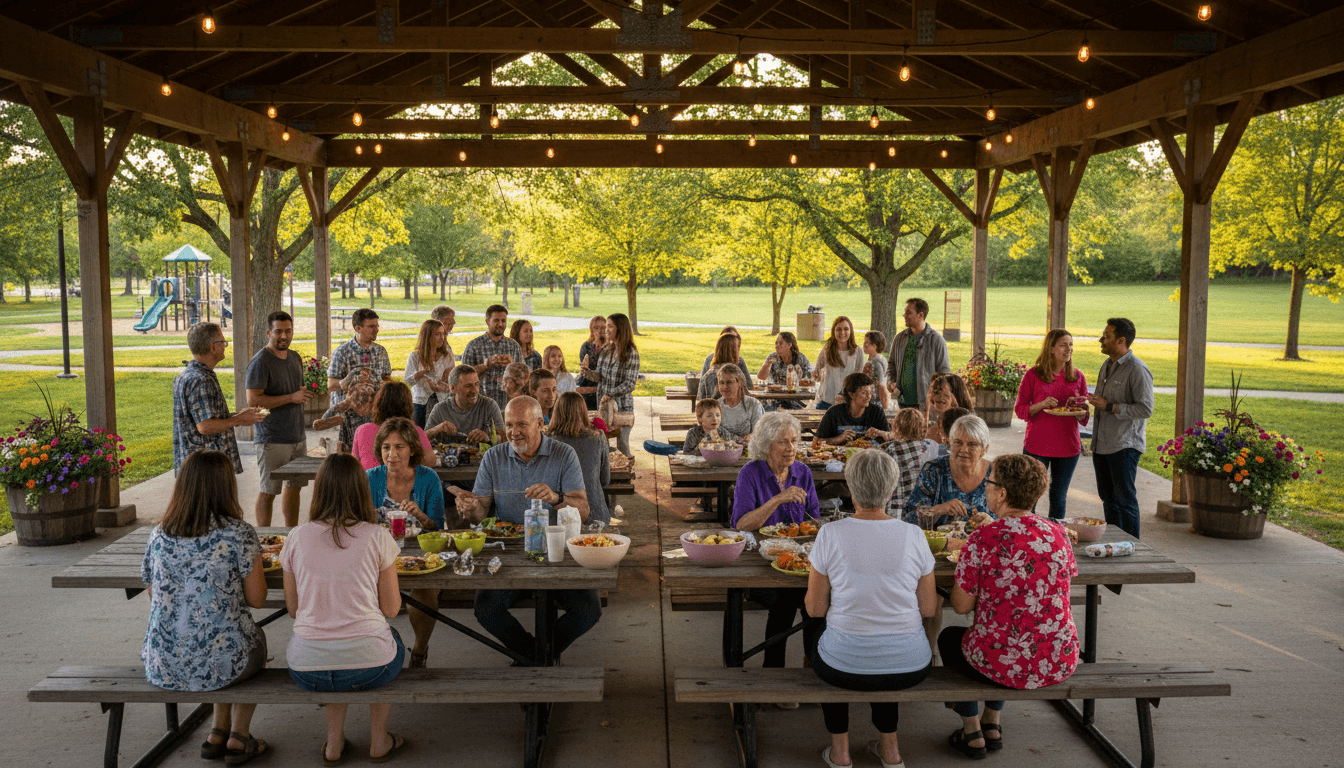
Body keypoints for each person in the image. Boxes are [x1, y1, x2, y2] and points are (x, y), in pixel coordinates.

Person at [804, 449, 936, 768]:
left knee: (815, 629)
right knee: (882, 643)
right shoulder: (915, 535)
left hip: (842, 665)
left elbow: (815, 609)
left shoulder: (829, 534)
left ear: (851, 490)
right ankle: (890, 750)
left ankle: (840, 751)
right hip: (911, 664)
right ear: (891, 490)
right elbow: (929, 609)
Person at [941, 454, 1078, 758]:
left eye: (988, 483)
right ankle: (992, 722)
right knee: (1007, 634)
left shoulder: (983, 538)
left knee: (951, 639)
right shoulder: (1058, 534)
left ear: (1001, 493)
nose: (985, 488)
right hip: (1058, 658)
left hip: (1008, 661)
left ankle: (972, 729)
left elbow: (961, 607)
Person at [141, 450, 269, 764]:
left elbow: (154, 595)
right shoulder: (238, 533)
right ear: (227, 487)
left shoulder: (159, 535)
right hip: (223, 663)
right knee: (250, 639)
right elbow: (257, 599)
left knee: (221, 637)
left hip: (163, 664)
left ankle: (216, 731)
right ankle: (238, 736)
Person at [281, 453, 406, 764]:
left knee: (333, 650)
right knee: (389, 639)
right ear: (361, 490)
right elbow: (391, 609)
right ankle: (379, 741)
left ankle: (334, 743)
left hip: (306, 667)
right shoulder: (377, 536)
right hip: (370, 666)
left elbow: (294, 609)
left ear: (319, 490)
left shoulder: (296, 537)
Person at [453, 397, 598, 661]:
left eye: (521, 424)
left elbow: (584, 510)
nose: (513, 431)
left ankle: (540, 654)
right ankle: (535, 654)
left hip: (557, 553)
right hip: (509, 554)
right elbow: (480, 513)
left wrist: (556, 498)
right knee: (486, 608)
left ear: (540, 423)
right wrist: (469, 506)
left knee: (589, 609)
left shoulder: (564, 453)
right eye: (508, 424)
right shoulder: (493, 457)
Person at [731, 412, 820, 677]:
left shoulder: (802, 472)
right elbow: (741, 524)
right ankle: (773, 674)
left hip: (798, 563)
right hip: (761, 565)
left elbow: (815, 520)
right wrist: (778, 500)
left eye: (794, 441)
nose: (791, 448)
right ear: (766, 444)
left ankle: (814, 666)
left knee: (816, 602)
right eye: (783, 442)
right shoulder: (750, 473)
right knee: (784, 602)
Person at [246, 310, 314, 527]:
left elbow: (294, 392)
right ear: (269, 332)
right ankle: (263, 538)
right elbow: (253, 400)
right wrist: (291, 397)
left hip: (297, 435)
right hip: (271, 438)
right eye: (278, 332)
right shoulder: (260, 361)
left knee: (294, 487)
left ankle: (291, 533)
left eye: (288, 331)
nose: (284, 336)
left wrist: (303, 394)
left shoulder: (294, 357)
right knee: (268, 491)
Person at [1087, 317, 1153, 538]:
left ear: (1121, 340)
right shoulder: (1107, 365)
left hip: (1123, 446)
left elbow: (1145, 409)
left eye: (1106, 336)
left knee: (1124, 500)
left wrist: (1110, 406)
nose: (1101, 339)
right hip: (1102, 444)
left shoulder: (1137, 369)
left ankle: (1134, 547)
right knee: (1108, 499)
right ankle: (1115, 543)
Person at [1015, 329, 1091, 519]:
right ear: (1051, 348)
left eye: (1071, 344)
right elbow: (1020, 409)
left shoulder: (1078, 377)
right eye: (1063, 345)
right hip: (1037, 445)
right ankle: (1027, 534)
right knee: (1029, 496)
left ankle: (1055, 539)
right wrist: (1041, 405)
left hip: (1068, 446)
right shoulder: (1033, 375)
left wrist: (1081, 406)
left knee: (1058, 496)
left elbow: (1083, 416)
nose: (1069, 349)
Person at [172, 322, 264, 475]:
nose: (225, 345)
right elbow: (205, 426)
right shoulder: (201, 379)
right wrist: (238, 419)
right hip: (205, 469)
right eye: (222, 341)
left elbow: (203, 418)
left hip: (193, 468)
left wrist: (240, 416)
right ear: (213, 347)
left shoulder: (188, 375)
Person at [905, 414, 993, 529]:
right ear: (950, 443)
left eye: (972, 444)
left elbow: (1015, 520)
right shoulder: (934, 470)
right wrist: (938, 510)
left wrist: (993, 523)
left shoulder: (995, 474)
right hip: (940, 545)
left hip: (985, 544)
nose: (964, 449)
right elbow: (908, 519)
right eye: (958, 442)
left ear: (985, 449)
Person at [546, 391, 612, 524]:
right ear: (583, 411)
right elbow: (605, 480)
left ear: (556, 411)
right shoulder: (597, 437)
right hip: (595, 514)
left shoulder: (546, 440)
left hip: (558, 516)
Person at [581, 313, 640, 457]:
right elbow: (600, 377)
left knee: (622, 444)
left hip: (623, 408)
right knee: (603, 444)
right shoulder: (606, 350)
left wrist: (610, 394)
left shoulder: (631, 352)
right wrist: (587, 373)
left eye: (609, 326)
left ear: (620, 328)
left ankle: (627, 473)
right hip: (604, 408)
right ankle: (609, 475)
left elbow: (630, 384)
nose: (605, 330)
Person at [351, 382, 435, 471]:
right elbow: (430, 461)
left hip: (368, 483)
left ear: (378, 404)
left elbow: (354, 465)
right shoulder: (414, 431)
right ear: (408, 406)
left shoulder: (362, 430)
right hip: (403, 483)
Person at [888, 298, 952, 410]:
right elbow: (891, 365)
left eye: (908, 312)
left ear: (920, 315)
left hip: (926, 404)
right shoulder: (899, 338)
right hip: (902, 402)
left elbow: (944, 373)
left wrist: (937, 399)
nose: (904, 315)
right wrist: (891, 381)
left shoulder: (936, 340)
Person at [462, 304, 524, 410]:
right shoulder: (474, 346)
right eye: (496, 320)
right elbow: (463, 378)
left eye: (503, 321)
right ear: (487, 321)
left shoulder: (514, 346)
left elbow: (523, 378)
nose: (500, 324)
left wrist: (511, 367)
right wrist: (486, 365)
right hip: (480, 406)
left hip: (508, 406)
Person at [327, 308, 392, 406]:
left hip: (373, 412)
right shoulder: (341, 352)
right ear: (358, 328)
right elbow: (331, 385)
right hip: (347, 414)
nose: (377, 330)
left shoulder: (381, 351)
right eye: (371, 326)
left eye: (377, 326)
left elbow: (386, 378)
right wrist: (354, 381)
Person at [425, 365, 505, 444]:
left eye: (477, 384)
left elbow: (504, 437)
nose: (475, 391)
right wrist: (437, 429)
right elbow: (422, 441)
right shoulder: (440, 409)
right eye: (468, 386)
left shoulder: (489, 405)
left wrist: (489, 438)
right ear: (453, 388)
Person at [817, 372, 891, 445]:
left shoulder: (877, 412)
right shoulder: (833, 413)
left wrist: (880, 433)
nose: (869, 396)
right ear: (851, 394)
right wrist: (839, 438)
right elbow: (817, 441)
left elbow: (890, 438)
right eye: (864, 393)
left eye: (870, 392)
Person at [405, 318, 454, 428]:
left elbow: (449, 377)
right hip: (420, 403)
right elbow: (408, 381)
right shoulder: (415, 357)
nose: (441, 338)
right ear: (427, 336)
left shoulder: (447, 356)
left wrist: (438, 385)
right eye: (437, 334)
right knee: (419, 435)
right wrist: (421, 373)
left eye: (443, 334)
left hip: (441, 401)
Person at [881, 408, 930, 517]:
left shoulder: (893, 450)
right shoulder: (927, 448)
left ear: (897, 427)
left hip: (897, 509)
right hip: (923, 509)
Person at [313, 373, 376, 453]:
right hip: (349, 448)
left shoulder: (373, 409)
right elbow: (322, 422)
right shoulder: (346, 410)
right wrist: (339, 406)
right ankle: (330, 446)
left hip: (368, 448)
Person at [815, 316, 864, 410]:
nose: (842, 333)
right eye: (838, 329)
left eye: (846, 329)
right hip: (827, 401)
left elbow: (859, 379)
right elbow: (816, 374)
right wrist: (817, 374)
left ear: (851, 331)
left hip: (849, 402)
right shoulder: (827, 350)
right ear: (834, 332)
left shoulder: (858, 351)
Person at [757, 331, 812, 411]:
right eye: (776, 343)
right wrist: (767, 364)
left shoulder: (800, 358)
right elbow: (761, 377)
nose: (777, 346)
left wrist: (799, 377)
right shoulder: (773, 357)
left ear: (789, 345)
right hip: (775, 399)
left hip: (794, 399)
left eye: (780, 343)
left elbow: (809, 380)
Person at [715, 364, 764, 443]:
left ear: (739, 383)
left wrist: (750, 437)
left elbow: (760, 433)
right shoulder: (716, 406)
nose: (725, 386)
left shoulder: (753, 404)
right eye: (721, 383)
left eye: (729, 382)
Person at [697, 333, 749, 402]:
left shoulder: (707, 374)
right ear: (734, 351)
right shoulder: (736, 372)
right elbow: (746, 399)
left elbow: (700, 400)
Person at [925, 373, 974, 446]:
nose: (935, 396)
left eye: (942, 392)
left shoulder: (966, 425)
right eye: (934, 392)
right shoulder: (935, 425)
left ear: (956, 394)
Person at [575, 315, 606, 410]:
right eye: (596, 328)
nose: (600, 331)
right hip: (587, 384)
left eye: (602, 327)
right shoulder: (586, 346)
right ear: (591, 330)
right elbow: (585, 369)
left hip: (603, 385)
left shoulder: (610, 347)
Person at [862, 330, 891, 411]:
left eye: (867, 342)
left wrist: (885, 409)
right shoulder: (876, 359)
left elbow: (881, 386)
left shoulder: (875, 363)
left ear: (874, 346)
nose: (864, 344)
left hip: (875, 403)